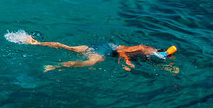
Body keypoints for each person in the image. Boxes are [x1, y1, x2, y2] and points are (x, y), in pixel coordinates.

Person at [12, 33, 176, 72]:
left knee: (69, 47)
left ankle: (35, 42)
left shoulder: (148, 51)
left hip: (107, 45)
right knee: (90, 62)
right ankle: (55, 67)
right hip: (108, 49)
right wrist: (126, 61)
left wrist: (169, 67)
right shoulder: (143, 49)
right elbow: (124, 51)